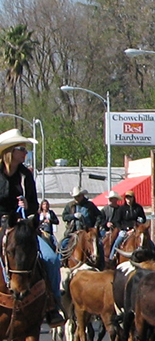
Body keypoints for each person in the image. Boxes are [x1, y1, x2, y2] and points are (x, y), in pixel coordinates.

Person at [0, 128, 64, 327]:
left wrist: (28, 206)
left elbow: (35, 205)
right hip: (1, 224)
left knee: (51, 259)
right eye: (22, 149)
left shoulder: (25, 175)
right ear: (10, 151)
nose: (25, 153)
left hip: (23, 227)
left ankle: (53, 305)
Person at [61, 185, 101, 250]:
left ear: (82, 195)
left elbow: (99, 216)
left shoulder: (90, 205)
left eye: (78, 196)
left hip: (88, 232)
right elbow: (64, 217)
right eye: (75, 197)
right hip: (73, 232)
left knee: (100, 245)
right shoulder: (70, 205)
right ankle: (59, 257)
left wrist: (96, 226)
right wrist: (73, 216)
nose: (76, 198)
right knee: (63, 245)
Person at [110, 190, 147, 258]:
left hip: (136, 230)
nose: (128, 199)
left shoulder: (138, 208)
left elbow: (143, 219)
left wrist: (137, 226)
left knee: (148, 241)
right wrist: (122, 229)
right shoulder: (121, 208)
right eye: (127, 197)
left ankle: (154, 255)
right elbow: (117, 221)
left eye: (130, 197)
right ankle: (112, 257)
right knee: (118, 241)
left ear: (133, 198)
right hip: (125, 230)